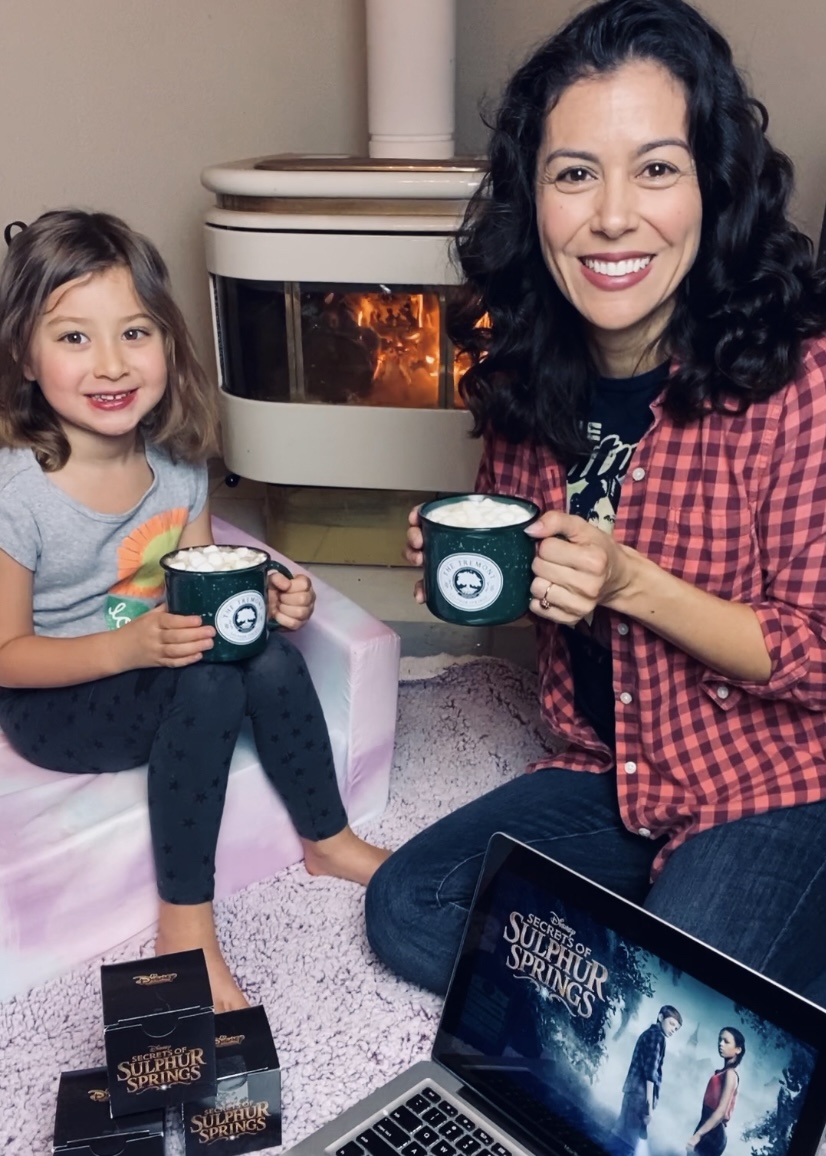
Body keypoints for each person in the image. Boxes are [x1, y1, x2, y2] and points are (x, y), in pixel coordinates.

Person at [364, 0, 826, 1002]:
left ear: (713, 187)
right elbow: (553, 607)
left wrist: (630, 582)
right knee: (409, 903)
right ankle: (697, 964)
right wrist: (480, 567)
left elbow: (817, 657)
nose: (611, 215)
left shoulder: (799, 386)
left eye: (655, 168)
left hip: (779, 784)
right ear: (533, 199)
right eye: (574, 173)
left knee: (685, 1009)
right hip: (616, 774)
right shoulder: (529, 381)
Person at [0, 209, 388, 1011]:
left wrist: (274, 601)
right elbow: (6, 653)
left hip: (159, 659)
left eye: (134, 333)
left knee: (267, 655)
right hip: (56, 703)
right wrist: (129, 649)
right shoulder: (19, 493)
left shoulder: (178, 466)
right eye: (74, 338)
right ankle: (185, 927)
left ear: (169, 345)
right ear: (24, 358)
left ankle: (329, 839)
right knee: (210, 685)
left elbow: (204, 582)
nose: (110, 364)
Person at [614, 1005, 682, 1154]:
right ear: (660, 1017)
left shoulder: (648, 1034)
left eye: (676, 1029)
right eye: (671, 1024)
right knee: (629, 1142)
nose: (673, 1030)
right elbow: (650, 1072)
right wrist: (649, 1107)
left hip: (631, 1092)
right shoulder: (658, 1037)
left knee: (620, 1134)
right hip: (639, 1096)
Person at [686, 1027, 745, 1155]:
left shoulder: (730, 1074)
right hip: (707, 1127)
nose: (720, 1044)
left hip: (713, 1133)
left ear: (738, 1049)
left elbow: (721, 1111)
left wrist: (698, 1135)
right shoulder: (723, 1072)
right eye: (720, 1040)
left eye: (726, 1041)